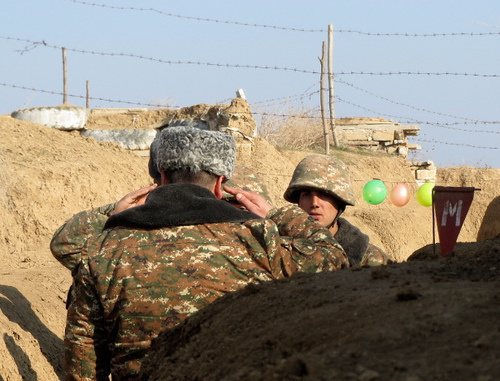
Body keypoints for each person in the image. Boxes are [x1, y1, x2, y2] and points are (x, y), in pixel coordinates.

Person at [60, 127, 349, 380]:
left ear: (161, 176)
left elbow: (82, 353)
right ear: (221, 184)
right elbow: (334, 260)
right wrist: (276, 215)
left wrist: (113, 213)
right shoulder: (258, 241)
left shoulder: (103, 249)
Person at [284, 154, 390, 267]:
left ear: (339, 202)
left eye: (324, 195)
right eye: (307, 194)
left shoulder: (371, 260)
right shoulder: (283, 248)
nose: (314, 203)